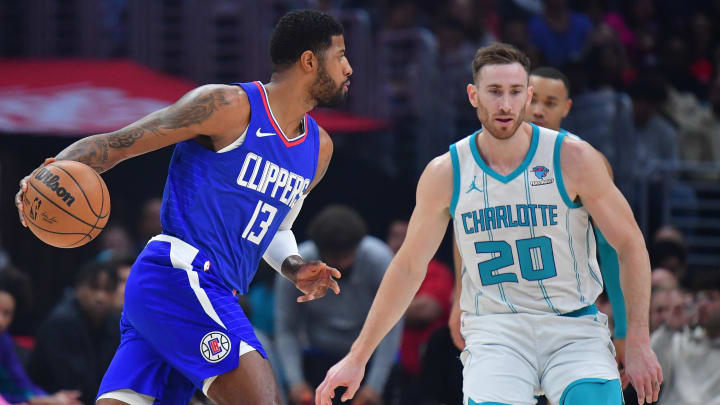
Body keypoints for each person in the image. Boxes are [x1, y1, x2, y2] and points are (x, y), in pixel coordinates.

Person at [16, 9, 351, 405]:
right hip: (181, 274)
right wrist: (45, 176)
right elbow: (118, 143)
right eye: (341, 55)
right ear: (310, 61)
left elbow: (274, 230)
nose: (349, 67)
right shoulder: (228, 105)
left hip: (198, 292)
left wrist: (294, 266)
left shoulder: (319, 149)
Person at [316, 43, 662, 405]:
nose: (506, 105)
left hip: (572, 325)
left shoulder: (574, 158)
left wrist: (635, 338)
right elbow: (407, 267)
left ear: (528, 95)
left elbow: (628, 245)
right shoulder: (446, 172)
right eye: (494, 92)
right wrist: (357, 357)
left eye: (515, 92)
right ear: (473, 95)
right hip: (497, 331)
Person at [525, 66, 628, 375]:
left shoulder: (587, 162)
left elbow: (613, 250)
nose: (539, 111)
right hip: (505, 314)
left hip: (569, 315)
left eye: (550, 102)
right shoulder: (486, 155)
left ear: (567, 107)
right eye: (533, 100)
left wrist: (622, 329)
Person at [275, 206, 398, 405]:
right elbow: (287, 327)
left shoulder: (378, 259)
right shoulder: (299, 264)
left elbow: (391, 325)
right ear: (319, 250)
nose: (340, 264)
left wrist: (375, 386)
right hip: (317, 358)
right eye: (334, 257)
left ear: (358, 246)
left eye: (346, 256)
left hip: (367, 358)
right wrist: (295, 382)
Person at [28, 260, 120, 405]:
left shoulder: (114, 324)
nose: (100, 297)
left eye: (108, 290)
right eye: (94, 288)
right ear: (78, 288)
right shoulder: (61, 322)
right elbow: (75, 385)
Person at [0, 267, 82, 405]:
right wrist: (43, 401)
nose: (0, 320)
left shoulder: (4, 341)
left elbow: (22, 383)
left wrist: (52, 399)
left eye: (6, 313)